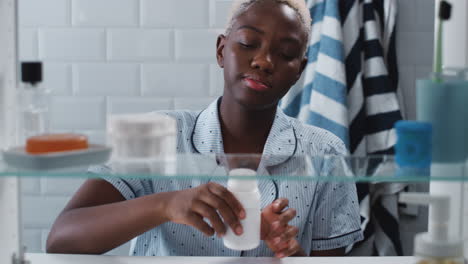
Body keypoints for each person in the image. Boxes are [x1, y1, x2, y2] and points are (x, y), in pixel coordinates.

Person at [46, 0, 363, 258]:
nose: (264, 61)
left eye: (286, 54)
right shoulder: (158, 134)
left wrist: (286, 252)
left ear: (300, 71)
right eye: (249, 43)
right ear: (221, 50)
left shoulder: (325, 151)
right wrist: (166, 205)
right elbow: (62, 238)